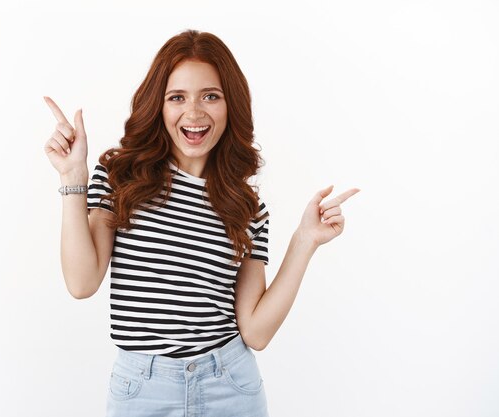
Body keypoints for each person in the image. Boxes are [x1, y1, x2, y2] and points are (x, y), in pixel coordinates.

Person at [43, 29, 360, 417]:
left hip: (230, 386)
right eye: (177, 97)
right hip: (143, 391)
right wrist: (72, 177)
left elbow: (256, 332)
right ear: (158, 106)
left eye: (211, 96)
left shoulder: (246, 205)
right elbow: (81, 282)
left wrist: (304, 240)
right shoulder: (119, 176)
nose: (194, 113)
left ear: (232, 106)